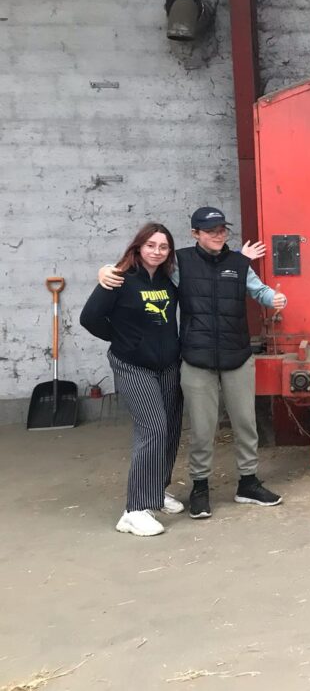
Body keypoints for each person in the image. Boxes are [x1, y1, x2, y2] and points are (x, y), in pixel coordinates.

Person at [99, 206, 288, 520]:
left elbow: (259, 290)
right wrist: (107, 269)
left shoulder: (238, 263)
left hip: (237, 356)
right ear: (195, 234)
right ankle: (200, 487)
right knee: (202, 428)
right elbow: (143, 268)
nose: (218, 234)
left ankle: (248, 483)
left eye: (222, 229)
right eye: (210, 230)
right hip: (196, 359)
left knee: (245, 423)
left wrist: (274, 298)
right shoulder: (179, 263)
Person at [81, 223, 184, 536]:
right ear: (138, 246)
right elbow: (89, 318)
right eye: (150, 245)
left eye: (163, 246)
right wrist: (124, 339)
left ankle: (156, 492)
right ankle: (135, 510)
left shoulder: (169, 279)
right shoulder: (119, 278)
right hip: (133, 365)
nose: (157, 251)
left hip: (167, 365)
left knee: (170, 428)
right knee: (152, 428)